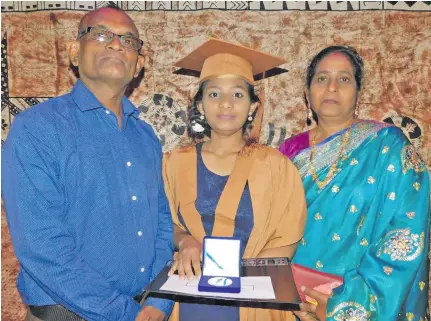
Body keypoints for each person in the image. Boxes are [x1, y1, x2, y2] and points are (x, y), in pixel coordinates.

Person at [2, 6, 174, 321]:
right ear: (74, 53)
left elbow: (162, 225)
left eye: (128, 40)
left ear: (139, 65)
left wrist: (158, 302)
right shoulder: (37, 129)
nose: (115, 44)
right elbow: (42, 246)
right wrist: (125, 314)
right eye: (100, 34)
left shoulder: (146, 137)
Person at [279, 45, 430, 321]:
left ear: (358, 92)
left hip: (358, 301)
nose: (332, 87)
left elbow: (406, 230)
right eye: (322, 78)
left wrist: (346, 305)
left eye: (344, 79)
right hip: (292, 303)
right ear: (307, 92)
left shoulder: (389, 146)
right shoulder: (286, 153)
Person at [162, 38, 307, 321]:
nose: (226, 103)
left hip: (256, 300)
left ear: (253, 106)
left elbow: (288, 238)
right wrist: (186, 241)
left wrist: (241, 274)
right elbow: (164, 225)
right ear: (200, 105)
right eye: (214, 94)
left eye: (238, 94)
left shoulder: (277, 166)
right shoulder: (173, 163)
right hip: (187, 296)